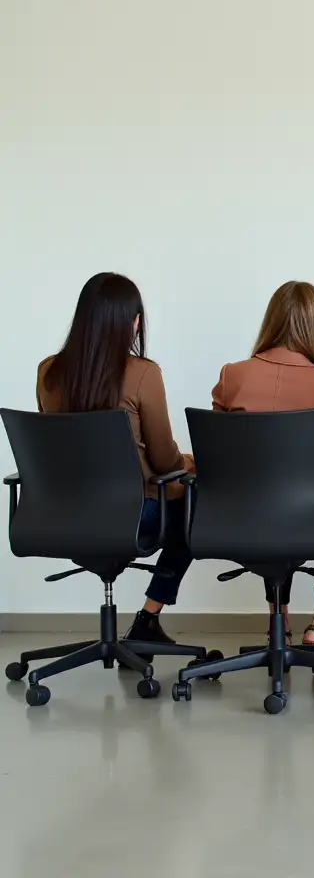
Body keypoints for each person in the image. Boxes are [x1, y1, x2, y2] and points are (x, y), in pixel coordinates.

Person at [36, 273, 195, 644]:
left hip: (60, 515)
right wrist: (187, 462)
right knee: (194, 506)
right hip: (132, 515)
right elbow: (164, 461)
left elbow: (52, 451)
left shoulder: (48, 371)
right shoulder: (142, 373)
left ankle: (145, 625)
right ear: (134, 321)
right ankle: (147, 619)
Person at [211, 281, 314, 650]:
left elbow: (215, 454)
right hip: (312, 518)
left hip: (239, 516)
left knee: (265, 493)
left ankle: (277, 623)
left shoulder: (232, 375)